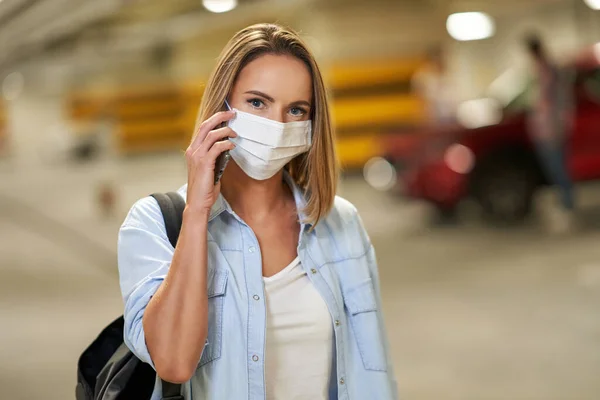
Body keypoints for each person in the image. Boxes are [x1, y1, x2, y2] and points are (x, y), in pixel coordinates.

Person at [117, 23, 398, 399]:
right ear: (223, 106)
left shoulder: (341, 223)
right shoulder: (152, 222)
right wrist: (198, 213)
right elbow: (173, 362)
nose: (277, 126)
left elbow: (374, 374)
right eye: (257, 103)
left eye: (296, 109)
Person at [524, 34, 576, 232]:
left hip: (552, 129)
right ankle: (565, 205)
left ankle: (567, 207)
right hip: (542, 129)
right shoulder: (538, 72)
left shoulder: (551, 72)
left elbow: (561, 103)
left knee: (559, 169)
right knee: (553, 170)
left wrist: (559, 126)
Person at [411, 45, 457, 127]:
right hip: (432, 117)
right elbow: (420, 97)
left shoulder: (448, 74)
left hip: (451, 115)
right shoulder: (422, 76)